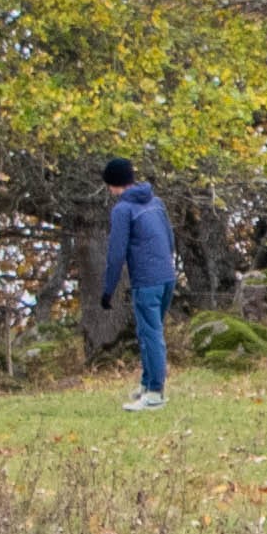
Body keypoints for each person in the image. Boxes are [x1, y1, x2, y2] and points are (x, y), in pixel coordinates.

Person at [102, 159, 179, 412]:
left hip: (147, 281)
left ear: (113, 184)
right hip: (167, 275)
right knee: (147, 333)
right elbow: (169, 239)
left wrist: (108, 289)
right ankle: (147, 384)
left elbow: (116, 253)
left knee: (151, 335)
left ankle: (155, 393)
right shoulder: (156, 202)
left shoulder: (123, 210)